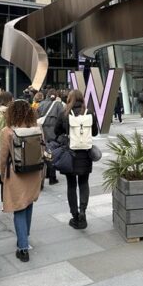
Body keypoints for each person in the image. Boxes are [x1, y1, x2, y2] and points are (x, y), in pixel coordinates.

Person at [0, 99, 43, 262]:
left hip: (16, 174)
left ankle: (23, 248)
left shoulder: (7, 131)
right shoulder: (37, 129)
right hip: (34, 173)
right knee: (29, 203)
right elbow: (42, 150)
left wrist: (3, 175)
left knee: (19, 208)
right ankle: (25, 238)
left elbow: (3, 157)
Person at [54, 89, 99, 230]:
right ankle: (83, 212)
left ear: (69, 99)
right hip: (85, 154)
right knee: (84, 183)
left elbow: (56, 132)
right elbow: (95, 132)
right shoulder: (90, 112)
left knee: (71, 185)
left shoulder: (65, 113)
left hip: (70, 154)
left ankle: (74, 215)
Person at [38, 88, 64, 185]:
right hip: (54, 133)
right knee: (52, 153)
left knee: (44, 153)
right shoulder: (58, 105)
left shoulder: (41, 104)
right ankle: (52, 177)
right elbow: (62, 118)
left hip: (43, 132)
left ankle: (46, 174)